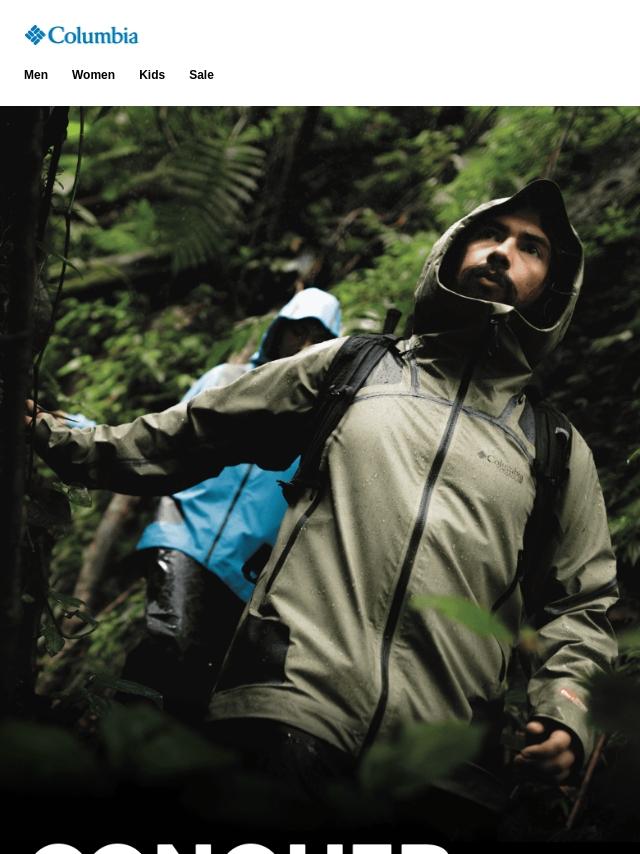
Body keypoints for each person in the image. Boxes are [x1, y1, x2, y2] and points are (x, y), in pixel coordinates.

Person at [27, 180, 618, 817]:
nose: (502, 253)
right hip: (287, 712)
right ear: (453, 251)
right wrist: (57, 436)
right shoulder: (354, 369)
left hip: (442, 766)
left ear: (552, 286)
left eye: (531, 247)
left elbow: (580, 605)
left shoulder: (553, 448)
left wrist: (568, 716)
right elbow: (187, 434)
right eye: (490, 235)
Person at [66, 287, 343, 722]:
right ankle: (116, 737)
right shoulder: (226, 379)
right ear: (278, 331)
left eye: (318, 338)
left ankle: (128, 744)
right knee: (170, 640)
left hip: (245, 568)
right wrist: (77, 429)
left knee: (199, 684)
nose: (304, 346)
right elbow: (162, 436)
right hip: (183, 533)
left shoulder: (319, 420)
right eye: (297, 332)